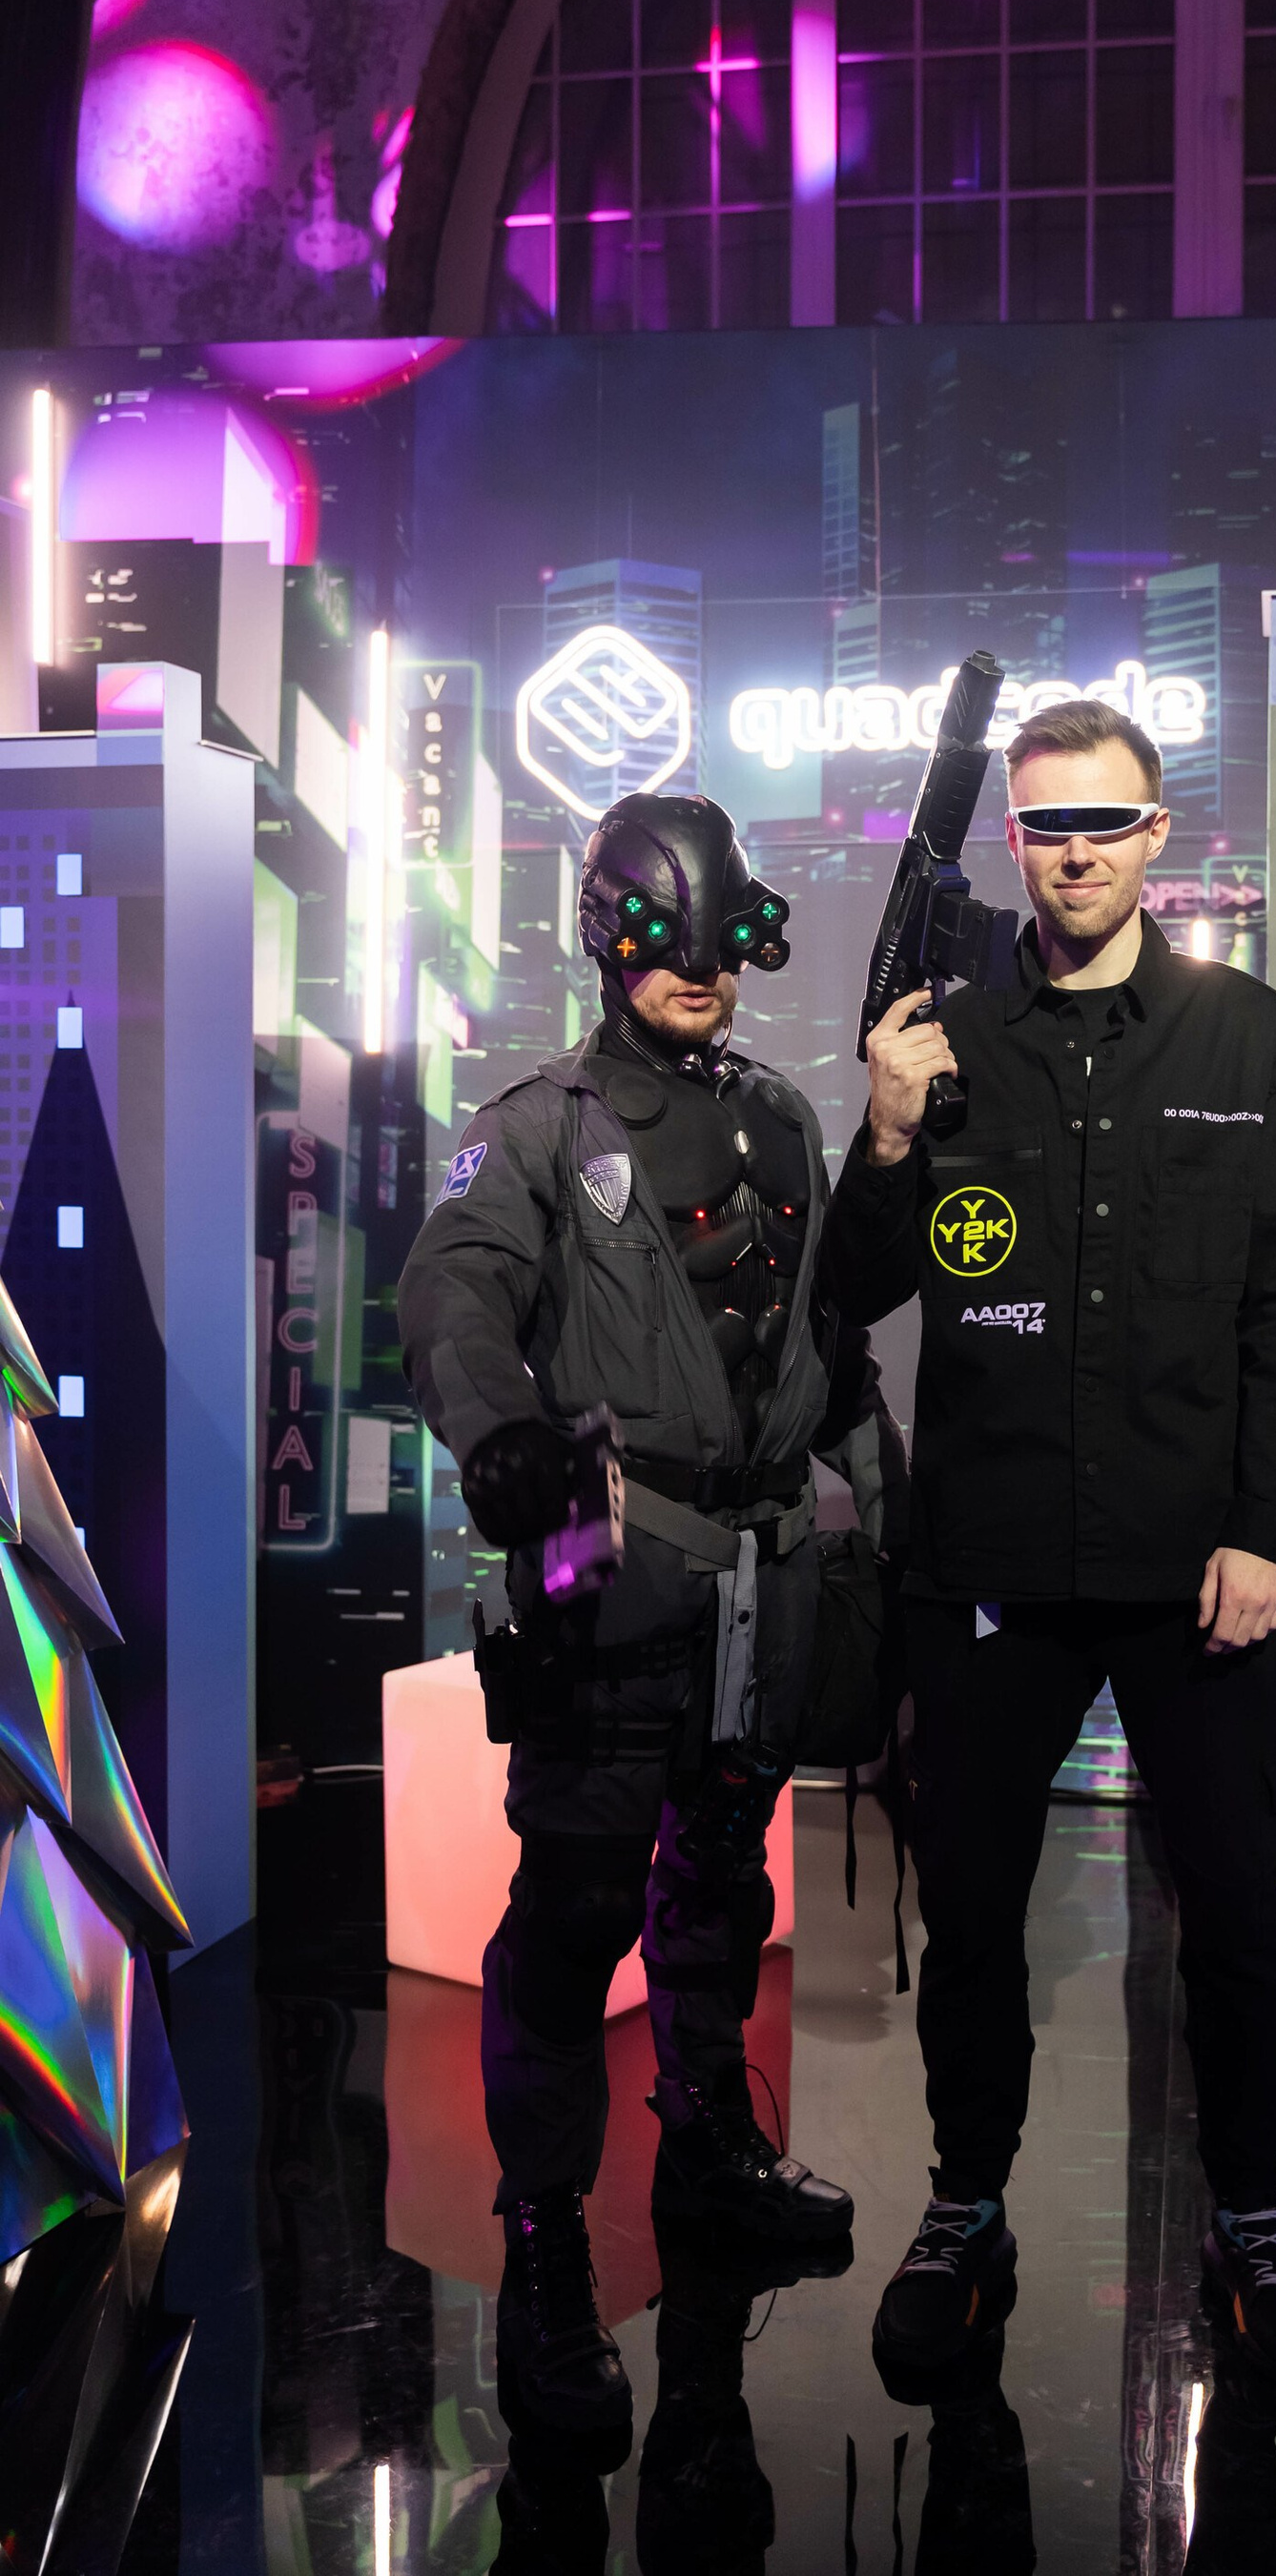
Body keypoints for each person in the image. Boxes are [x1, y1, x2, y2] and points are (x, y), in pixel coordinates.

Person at [818, 698, 1276, 2382]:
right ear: (1016, 839)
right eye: (1048, 825)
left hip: (1198, 1572)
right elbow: (854, 1295)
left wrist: (1268, 1533)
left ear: (1157, 834)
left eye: (1106, 822)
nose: (1076, 852)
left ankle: (1252, 2210)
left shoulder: (1246, 1040)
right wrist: (885, 1134)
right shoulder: (947, 1037)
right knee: (973, 1915)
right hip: (988, 1566)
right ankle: (965, 2203)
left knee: (1236, 1914)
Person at [398, 791, 902, 2460]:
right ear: (608, 939)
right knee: (573, 1908)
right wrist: (501, 1438)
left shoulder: (781, 1121)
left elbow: (823, 1336)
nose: (697, 972)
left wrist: (884, 1501)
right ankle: (546, 2243)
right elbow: (454, 1290)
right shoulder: (537, 1126)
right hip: (595, 1544)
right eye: (662, 941)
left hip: (763, 1566)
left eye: (720, 943)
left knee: (721, 1881)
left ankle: (707, 2150)